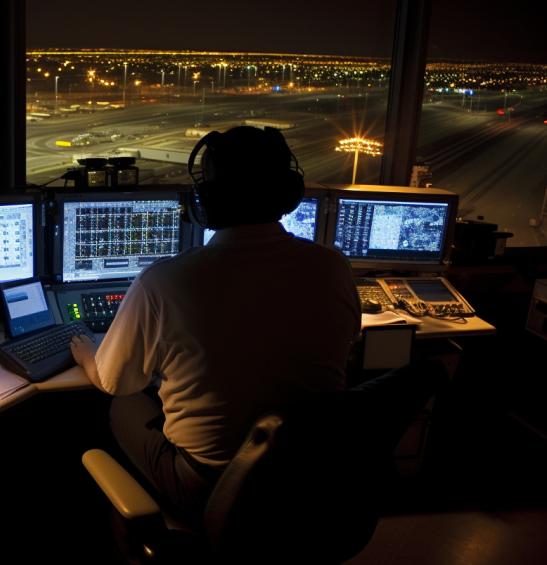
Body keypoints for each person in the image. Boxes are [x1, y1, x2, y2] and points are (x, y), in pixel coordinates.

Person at [70, 126, 361, 524]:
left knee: (123, 405)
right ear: (288, 193)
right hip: (307, 479)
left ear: (204, 202)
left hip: (211, 490)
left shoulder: (165, 280)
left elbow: (115, 381)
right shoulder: (334, 267)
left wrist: (89, 356)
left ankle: (140, 528)